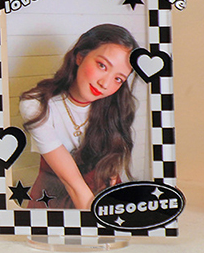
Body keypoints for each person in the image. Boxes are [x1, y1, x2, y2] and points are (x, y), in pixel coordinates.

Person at [18, 23, 138, 210]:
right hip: (54, 198)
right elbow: (73, 184)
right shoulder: (36, 105)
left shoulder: (114, 107)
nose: (105, 84)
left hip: (102, 197)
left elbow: (112, 175)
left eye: (118, 79)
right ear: (80, 56)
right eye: (102, 65)